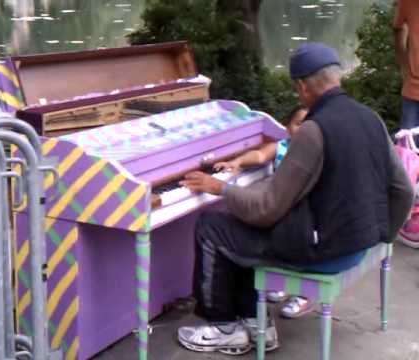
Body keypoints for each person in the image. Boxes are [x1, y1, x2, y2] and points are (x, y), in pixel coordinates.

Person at [176, 42, 414, 355]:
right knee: (244, 225)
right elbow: (404, 191)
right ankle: (254, 321)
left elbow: (267, 209)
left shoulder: (313, 131)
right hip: (357, 244)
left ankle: (223, 327)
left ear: (302, 87)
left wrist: (220, 187)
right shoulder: (371, 118)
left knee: (212, 225)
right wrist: (382, 235)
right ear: (336, 78)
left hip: (324, 251)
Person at [214, 106, 313, 317]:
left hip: (300, 209)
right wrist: (237, 161)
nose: (303, 129)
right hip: (280, 205)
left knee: (298, 244)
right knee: (276, 241)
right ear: (287, 128)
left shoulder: (314, 153)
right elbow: (259, 155)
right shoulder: (282, 146)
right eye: (298, 124)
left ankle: (303, 294)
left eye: (308, 125)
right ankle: (284, 283)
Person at [394, 0, 419, 130]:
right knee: (406, 147)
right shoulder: (407, 2)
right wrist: (403, 66)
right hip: (413, 92)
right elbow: (398, 29)